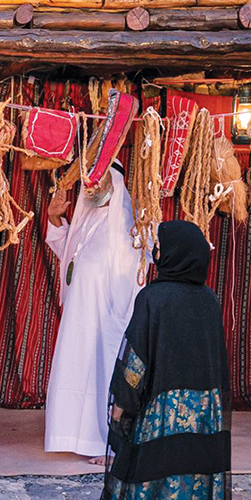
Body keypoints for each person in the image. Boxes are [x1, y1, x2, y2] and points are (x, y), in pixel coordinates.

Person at [82, 219, 237, 500]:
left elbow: (136, 361)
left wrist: (123, 404)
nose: (155, 254)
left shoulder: (153, 298)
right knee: (193, 493)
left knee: (154, 492)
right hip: (204, 418)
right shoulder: (209, 300)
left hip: (163, 418)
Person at [43, 165, 142, 462]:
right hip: (79, 320)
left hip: (106, 324)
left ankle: (108, 444)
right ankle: (73, 436)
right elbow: (70, 259)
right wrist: (54, 218)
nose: (94, 188)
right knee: (75, 372)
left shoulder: (125, 223)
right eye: (91, 182)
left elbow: (131, 277)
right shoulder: (86, 219)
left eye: (101, 181)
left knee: (102, 379)